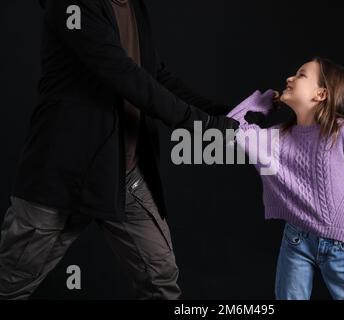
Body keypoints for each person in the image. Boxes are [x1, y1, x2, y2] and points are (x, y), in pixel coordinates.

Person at [0, 0, 239, 300]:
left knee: (160, 282)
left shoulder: (133, 7)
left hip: (120, 173)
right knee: (11, 283)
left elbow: (154, 76)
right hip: (61, 177)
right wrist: (204, 125)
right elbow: (126, 76)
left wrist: (227, 115)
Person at [228, 57, 344, 300]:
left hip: (339, 244)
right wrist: (262, 102)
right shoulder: (277, 138)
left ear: (321, 94)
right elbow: (233, 128)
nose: (289, 78)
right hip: (296, 240)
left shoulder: (343, 132)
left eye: (300, 75)